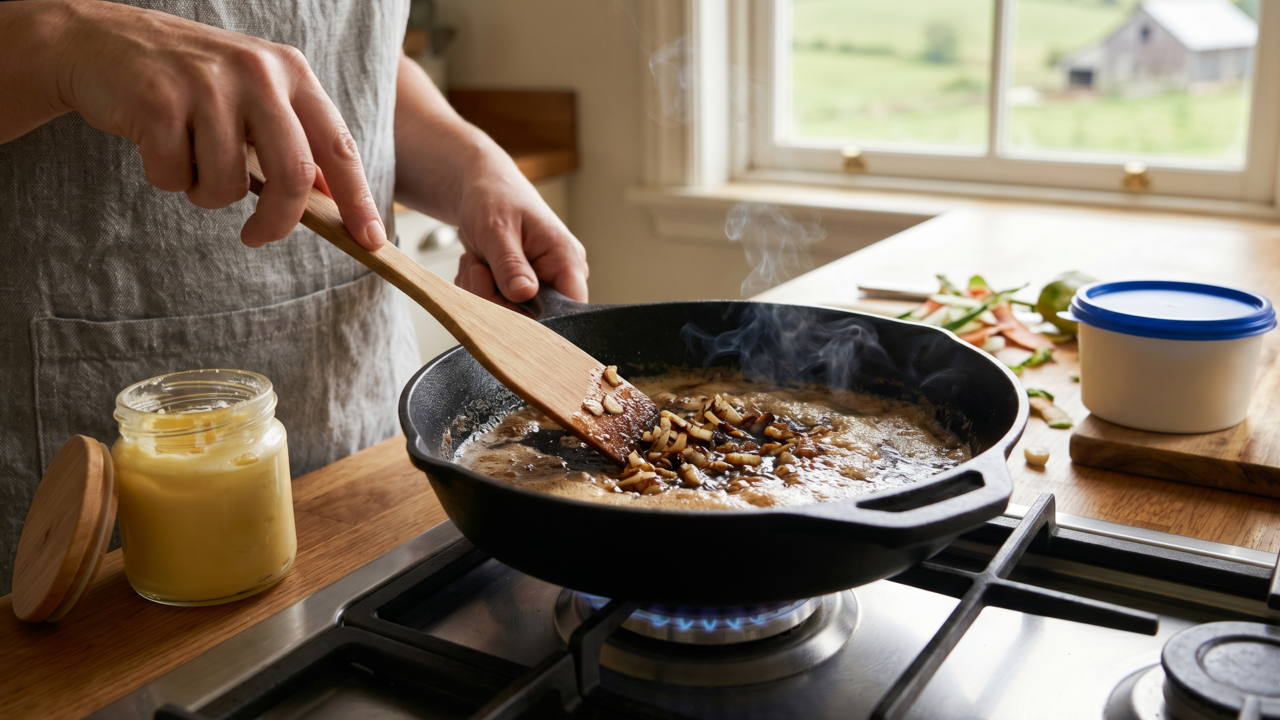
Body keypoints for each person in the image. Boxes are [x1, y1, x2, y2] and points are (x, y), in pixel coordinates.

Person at [0, 0, 589, 595]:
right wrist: (64, 40)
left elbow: (356, 55)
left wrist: (470, 166)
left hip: (376, 466)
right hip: (85, 539)